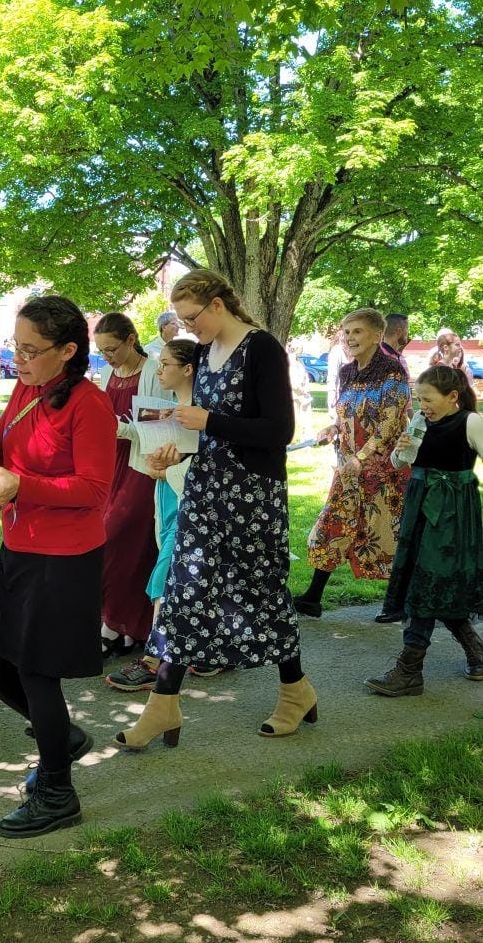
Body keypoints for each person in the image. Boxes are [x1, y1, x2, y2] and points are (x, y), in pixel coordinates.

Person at [115, 270, 317, 751]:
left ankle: (295, 690)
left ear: (218, 305)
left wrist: (210, 421)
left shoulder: (263, 349)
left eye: (192, 318)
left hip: (252, 496)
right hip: (207, 489)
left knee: (258, 593)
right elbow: (205, 433)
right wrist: (178, 448)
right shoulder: (204, 355)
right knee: (186, 593)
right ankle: (163, 703)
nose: (188, 329)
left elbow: (278, 431)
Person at [0, 296, 116, 838]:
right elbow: (0, 444)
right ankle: (63, 739)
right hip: (20, 543)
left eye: (31, 350)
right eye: (16, 347)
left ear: (68, 351)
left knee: (36, 671)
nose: (19, 359)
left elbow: (96, 489)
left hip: (65, 557)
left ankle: (58, 790)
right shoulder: (29, 390)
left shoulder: (89, 405)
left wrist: (21, 485)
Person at [365, 366, 483, 695]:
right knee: (434, 583)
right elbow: (398, 463)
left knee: (425, 584)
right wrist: (401, 448)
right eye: (419, 399)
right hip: (420, 507)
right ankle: (477, 653)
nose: (423, 405)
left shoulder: (470, 422)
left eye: (428, 399)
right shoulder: (420, 421)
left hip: (451, 514)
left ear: (453, 397)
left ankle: (409, 671)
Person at [105, 339, 212, 691]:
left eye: (166, 364)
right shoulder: (172, 407)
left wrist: (167, 472)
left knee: (166, 573)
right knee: (183, 574)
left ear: (188, 369)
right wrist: (156, 466)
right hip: (167, 498)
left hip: (190, 501)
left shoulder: (202, 411)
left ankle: (155, 658)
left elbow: (207, 465)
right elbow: (158, 459)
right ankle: (208, 649)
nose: (159, 369)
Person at [293, 308, 411, 620]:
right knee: (334, 524)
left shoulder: (393, 372)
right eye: (346, 332)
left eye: (357, 332)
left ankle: (398, 603)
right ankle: (313, 598)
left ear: (376, 336)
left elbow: (389, 424)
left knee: (387, 534)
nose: (349, 338)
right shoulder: (347, 371)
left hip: (385, 471)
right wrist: (332, 428)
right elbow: (346, 413)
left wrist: (361, 457)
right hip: (349, 470)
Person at [95, 312, 170, 657]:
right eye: (102, 351)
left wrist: (122, 429)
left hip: (142, 465)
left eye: (112, 349)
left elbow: (165, 424)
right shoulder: (109, 372)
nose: (107, 356)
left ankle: (115, 625)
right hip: (111, 464)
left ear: (130, 339)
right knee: (111, 542)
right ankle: (126, 627)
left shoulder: (155, 371)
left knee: (122, 537)